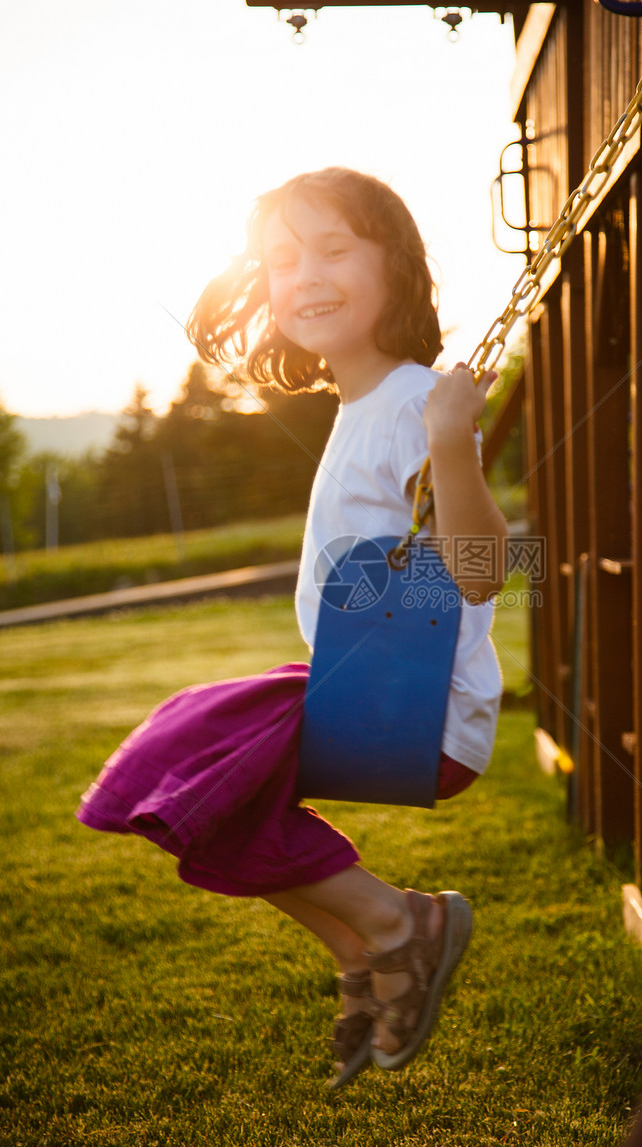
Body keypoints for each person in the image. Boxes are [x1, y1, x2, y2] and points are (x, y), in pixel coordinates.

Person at [77, 167, 507, 1089]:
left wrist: (450, 441)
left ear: (394, 262)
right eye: (281, 258)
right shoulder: (361, 404)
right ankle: (358, 949)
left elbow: (480, 571)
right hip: (360, 691)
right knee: (200, 793)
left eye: (333, 248)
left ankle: (403, 923)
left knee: (180, 752)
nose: (304, 274)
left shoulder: (414, 403)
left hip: (415, 709)